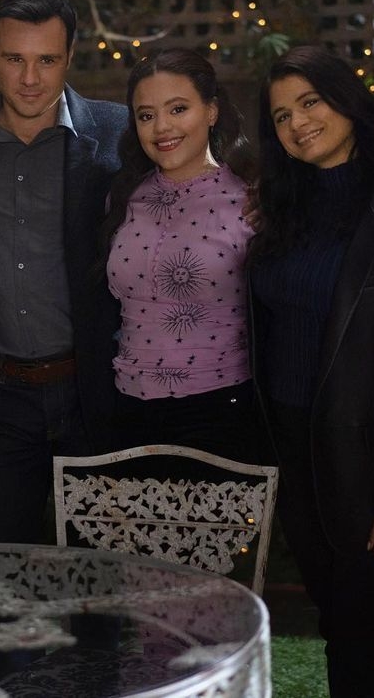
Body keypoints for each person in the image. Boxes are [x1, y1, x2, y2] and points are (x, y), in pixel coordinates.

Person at [247, 45, 374, 697]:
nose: (298, 122)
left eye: (310, 102)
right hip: (293, 453)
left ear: (348, 101)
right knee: (336, 622)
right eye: (282, 115)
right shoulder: (283, 211)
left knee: (360, 636)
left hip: (367, 465)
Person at [0, 0, 126, 546]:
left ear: (70, 56)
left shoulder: (115, 130)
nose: (30, 78)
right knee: (1, 572)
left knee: (96, 576)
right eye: (15, 59)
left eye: (47, 60)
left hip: (90, 390)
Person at [101, 48, 258, 462]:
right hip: (127, 408)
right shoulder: (123, 196)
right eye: (146, 115)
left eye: (178, 109)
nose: (161, 127)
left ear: (211, 111)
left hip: (221, 408)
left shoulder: (252, 201)